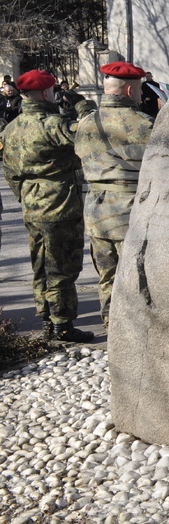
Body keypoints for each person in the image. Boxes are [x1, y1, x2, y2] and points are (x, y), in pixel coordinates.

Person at [1, 70, 96, 342]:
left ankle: (46, 320)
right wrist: (81, 105)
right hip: (60, 205)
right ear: (46, 93)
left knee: (41, 266)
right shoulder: (53, 124)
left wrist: (27, 196)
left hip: (32, 204)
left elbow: (10, 173)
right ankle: (62, 325)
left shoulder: (12, 127)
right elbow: (92, 132)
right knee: (62, 268)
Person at [74, 62, 154, 330]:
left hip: (96, 213)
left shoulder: (85, 123)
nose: (142, 96)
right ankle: (132, 336)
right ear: (130, 90)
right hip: (128, 213)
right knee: (135, 278)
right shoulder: (144, 125)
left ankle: (111, 328)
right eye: (140, 90)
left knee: (107, 276)